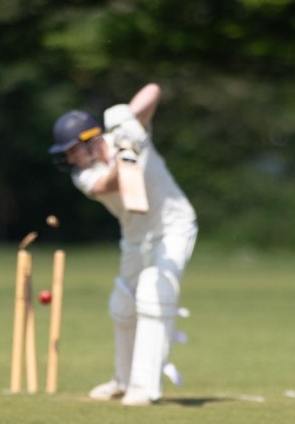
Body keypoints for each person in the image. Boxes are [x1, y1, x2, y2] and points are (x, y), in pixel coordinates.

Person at [48, 83, 197, 406]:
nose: (71, 158)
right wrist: (127, 155)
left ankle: (144, 387)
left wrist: (129, 121)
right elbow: (108, 183)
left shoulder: (125, 132)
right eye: (67, 154)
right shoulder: (83, 176)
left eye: (74, 150)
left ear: (91, 139)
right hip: (134, 238)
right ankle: (123, 380)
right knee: (123, 304)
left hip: (173, 226)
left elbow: (153, 90)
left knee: (154, 291)